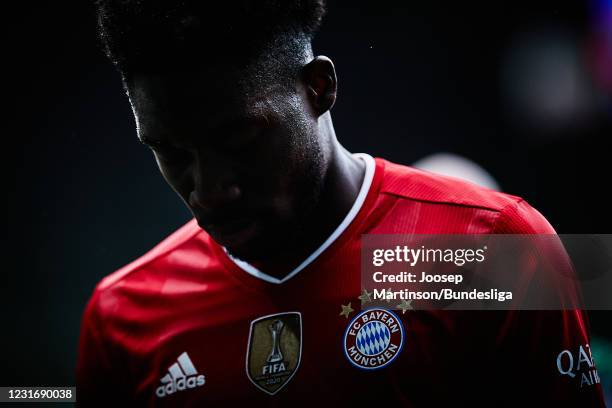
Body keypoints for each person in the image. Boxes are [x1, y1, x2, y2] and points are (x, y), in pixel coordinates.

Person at [77, 1, 606, 406]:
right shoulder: (121, 318)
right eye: (170, 152)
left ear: (319, 87)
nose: (210, 189)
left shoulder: (493, 247)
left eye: (240, 141)